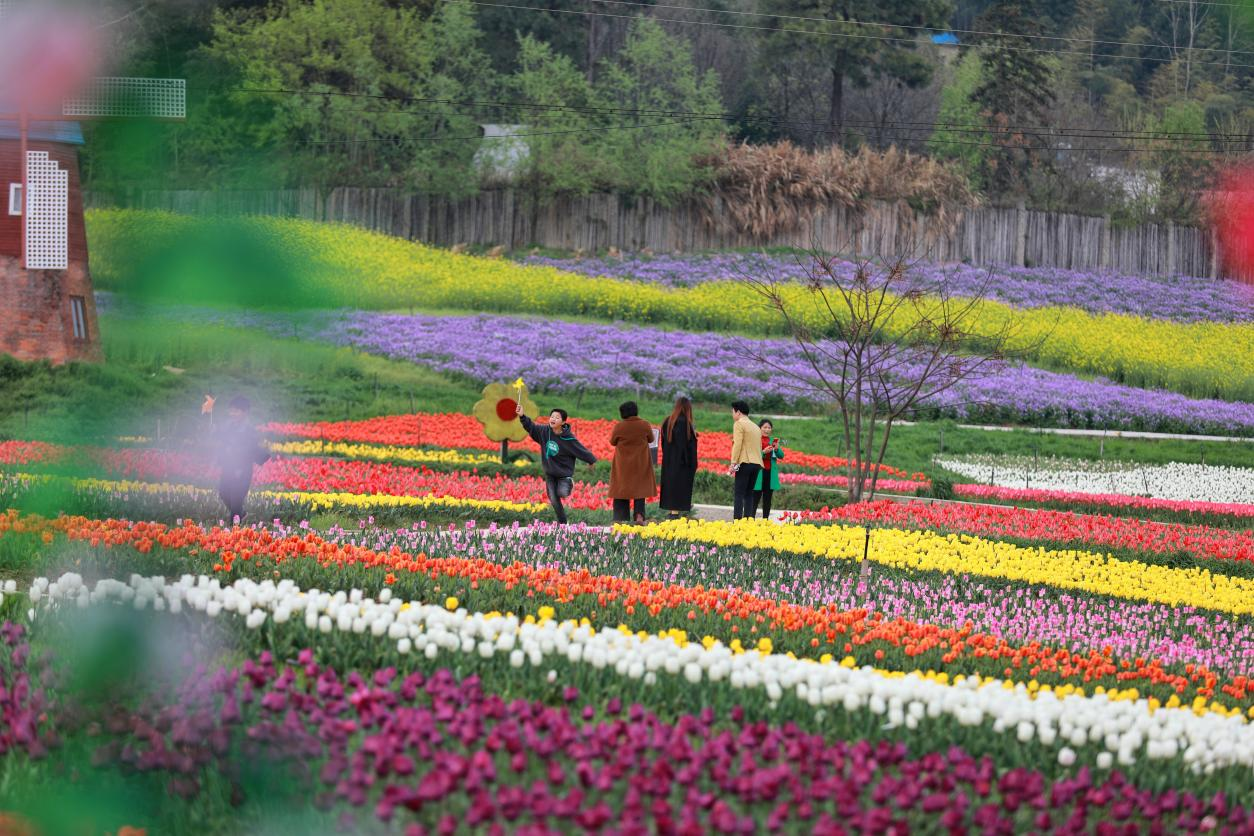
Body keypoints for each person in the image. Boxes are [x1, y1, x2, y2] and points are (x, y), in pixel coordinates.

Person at [517, 403, 598, 525]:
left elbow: (580, 449)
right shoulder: (544, 431)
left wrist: (591, 460)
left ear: (563, 422)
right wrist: (522, 416)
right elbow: (531, 427)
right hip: (550, 473)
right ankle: (563, 523)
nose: (553, 419)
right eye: (552, 417)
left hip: (564, 474)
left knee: (562, 493)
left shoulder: (568, 439)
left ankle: (569, 483)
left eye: (557, 417)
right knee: (554, 499)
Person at [215, 395, 268, 524]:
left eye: (236, 411)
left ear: (245, 412)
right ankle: (242, 514)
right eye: (231, 410)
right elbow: (221, 437)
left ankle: (234, 527)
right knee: (223, 492)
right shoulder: (228, 426)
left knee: (236, 498)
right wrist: (213, 431)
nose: (232, 414)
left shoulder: (249, 430)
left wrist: (240, 467)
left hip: (242, 470)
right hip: (229, 466)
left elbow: (249, 450)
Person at [609, 401, 656, 523]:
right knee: (640, 490)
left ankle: (620, 518)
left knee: (621, 490)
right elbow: (651, 439)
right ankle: (639, 515)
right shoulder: (645, 425)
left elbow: (612, 442)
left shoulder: (619, 426)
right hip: (640, 463)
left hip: (623, 465)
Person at [659, 396, 698, 517]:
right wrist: (693, 463)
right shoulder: (687, 424)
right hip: (683, 463)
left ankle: (672, 513)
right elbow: (689, 447)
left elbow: (664, 444)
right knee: (680, 489)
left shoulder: (667, 422)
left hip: (669, 462)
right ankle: (675, 515)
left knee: (671, 488)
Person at [729, 400, 763, 520]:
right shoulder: (756, 427)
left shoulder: (739, 424)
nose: (732, 414)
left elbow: (737, 444)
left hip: (745, 461)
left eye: (732, 412)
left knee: (739, 494)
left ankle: (738, 521)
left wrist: (733, 463)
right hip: (757, 463)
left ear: (738, 412)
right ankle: (748, 520)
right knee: (749, 494)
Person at [750, 418, 784, 519]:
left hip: (770, 473)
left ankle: (765, 519)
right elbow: (752, 455)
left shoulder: (772, 441)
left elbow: (781, 456)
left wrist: (776, 449)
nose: (767, 429)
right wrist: (763, 452)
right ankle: (751, 519)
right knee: (755, 497)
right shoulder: (755, 440)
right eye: (764, 427)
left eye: (769, 428)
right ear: (759, 428)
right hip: (758, 473)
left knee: (768, 498)